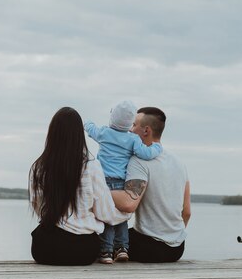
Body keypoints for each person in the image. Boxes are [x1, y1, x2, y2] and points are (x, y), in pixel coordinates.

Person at [29, 107, 129, 266]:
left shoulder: (39, 167)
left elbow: (38, 206)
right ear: (79, 135)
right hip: (80, 250)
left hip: (44, 248)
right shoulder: (91, 166)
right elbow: (106, 214)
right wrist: (127, 214)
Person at [83, 100, 163, 264]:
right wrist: (157, 147)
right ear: (130, 123)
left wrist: (87, 121)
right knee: (122, 217)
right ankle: (122, 249)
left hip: (103, 182)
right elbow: (145, 154)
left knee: (106, 216)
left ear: (112, 118)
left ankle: (106, 252)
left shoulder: (104, 132)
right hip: (121, 183)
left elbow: (91, 130)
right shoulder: (133, 139)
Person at [112, 106, 191, 263]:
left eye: (134, 125)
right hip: (177, 248)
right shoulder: (179, 162)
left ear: (146, 131)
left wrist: (98, 190)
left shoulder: (139, 160)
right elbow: (187, 212)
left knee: (104, 241)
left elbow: (129, 204)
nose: (130, 129)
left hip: (149, 248)